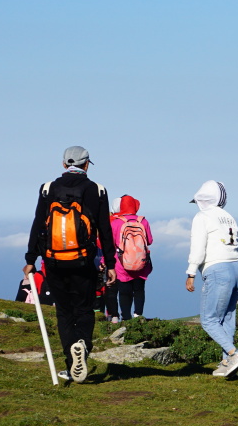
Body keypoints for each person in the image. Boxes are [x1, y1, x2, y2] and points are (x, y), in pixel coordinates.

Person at [23, 145, 115, 384]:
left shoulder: (47, 189)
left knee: (64, 312)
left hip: (53, 261)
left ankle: (69, 362)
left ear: (64, 164)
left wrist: (30, 259)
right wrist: (111, 263)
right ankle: (82, 345)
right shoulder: (97, 190)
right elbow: (104, 230)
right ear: (87, 165)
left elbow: (38, 224)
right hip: (84, 261)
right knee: (84, 309)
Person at [185, 180, 238, 377]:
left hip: (217, 270)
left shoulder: (202, 217)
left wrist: (191, 273)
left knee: (209, 320)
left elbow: (198, 247)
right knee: (227, 317)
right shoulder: (228, 217)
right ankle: (227, 363)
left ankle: (234, 354)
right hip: (237, 267)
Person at [112, 194, 153, 320]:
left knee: (124, 292)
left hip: (122, 263)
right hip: (141, 262)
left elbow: (111, 243)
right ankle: (138, 315)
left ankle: (126, 317)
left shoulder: (116, 222)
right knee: (139, 290)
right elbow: (150, 241)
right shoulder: (143, 221)